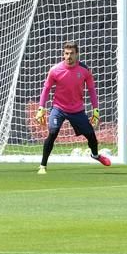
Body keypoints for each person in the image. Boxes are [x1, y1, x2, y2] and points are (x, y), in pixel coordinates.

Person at [35, 41, 111, 174]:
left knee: (91, 137)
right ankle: (42, 166)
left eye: (71, 54)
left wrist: (96, 110)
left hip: (77, 110)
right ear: (63, 54)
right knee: (52, 133)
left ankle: (95, 155)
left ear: (77, 55)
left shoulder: (85, 70)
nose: (68, 56)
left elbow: (92, 90)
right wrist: (41, 109)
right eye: (66, 53)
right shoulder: (55, 70)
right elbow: (46, 89)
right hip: (58, 108)